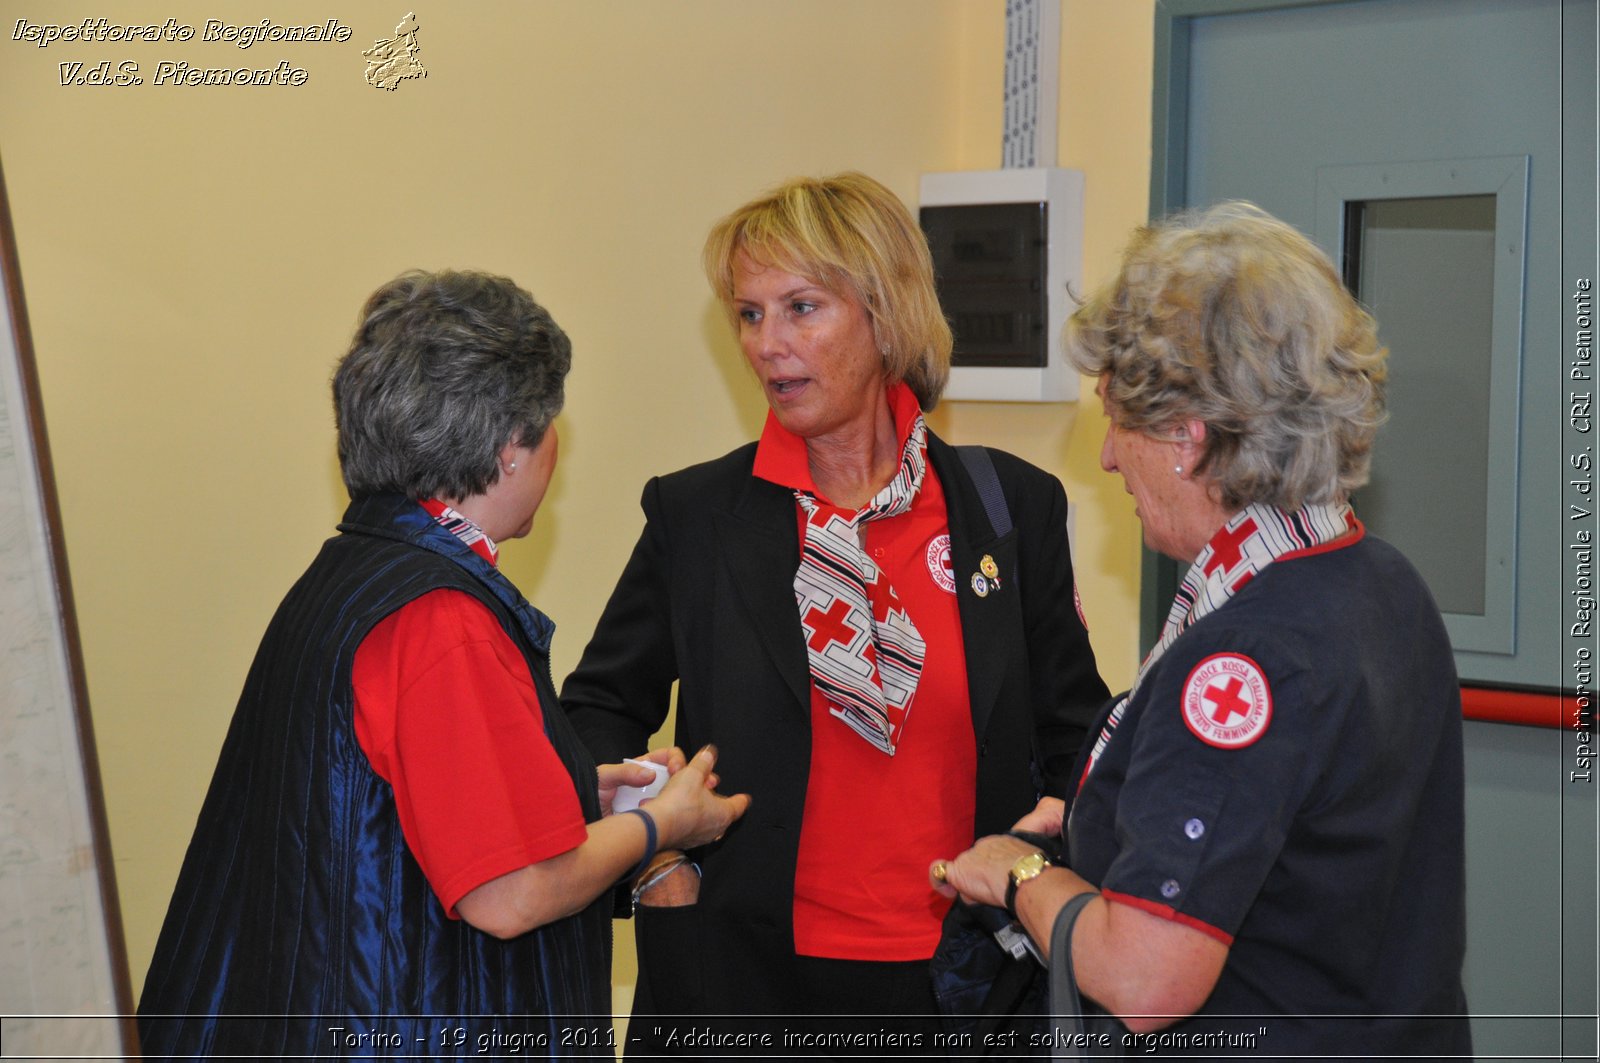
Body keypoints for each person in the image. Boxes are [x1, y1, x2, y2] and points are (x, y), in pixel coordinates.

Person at [137, 270, 749, 1059]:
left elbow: (392, 798)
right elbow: (511, 889)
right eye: (551, 423)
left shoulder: (355, 572)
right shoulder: (442, 619)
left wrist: (575, 786)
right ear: (508, 450)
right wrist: (661, 824)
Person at [561, 173, 1108, 1049]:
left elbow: (1080, 738)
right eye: (748, 314)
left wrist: (1041, 874)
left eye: (801, 307)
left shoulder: (1012, 507)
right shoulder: (698, 516)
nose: (769, 345)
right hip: (741, 984)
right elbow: (592, 710)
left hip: (969, 982)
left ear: (885, 314)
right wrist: (655, 860)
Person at [933, 203, 1472, 1058]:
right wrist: (1094, 823)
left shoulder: (1241, 654)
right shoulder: (1380, 581)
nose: (1108, 457)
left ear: (1186, 437)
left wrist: (1022, 874)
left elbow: (1147, 980)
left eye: (1116, 419)